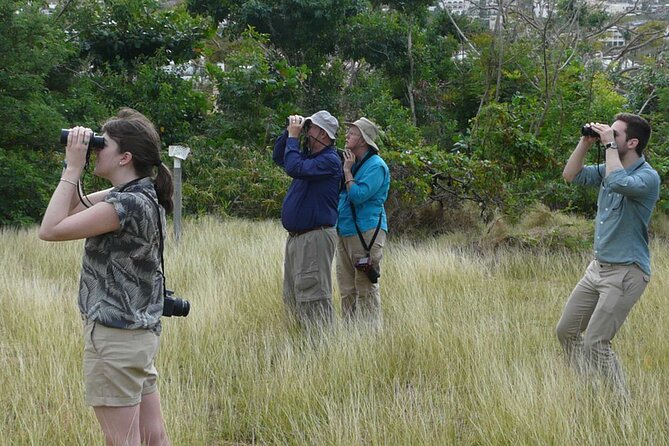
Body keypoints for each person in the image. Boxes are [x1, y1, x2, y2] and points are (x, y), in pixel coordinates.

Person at [39, 108, 172, 445]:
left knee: (122, 440)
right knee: (152, 437)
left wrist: (72, 167)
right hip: (137, 337)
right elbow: (69, 210)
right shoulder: (142, 196)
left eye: (103, 144)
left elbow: (50, 229)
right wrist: (77, 164)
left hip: (115, 339)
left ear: (125, 157)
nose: (96, 149)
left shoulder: (124, 206)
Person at [557, 113, 660, 397]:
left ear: (633, 142)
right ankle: (590, 388)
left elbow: (618, 183)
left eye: (615, 134)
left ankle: (620, 407)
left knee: (596, 342)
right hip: (597, 269)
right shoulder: (608, 168)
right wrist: (586, 141)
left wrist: (609, 148)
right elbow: (570, 175)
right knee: (566, 331)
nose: (609, 138)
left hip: (627, 272)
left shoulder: (647, 178)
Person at [272, 110, 342, 326]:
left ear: (322, 134)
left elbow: (293, 167)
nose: (306, 130)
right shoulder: (309, 158)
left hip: (315, 237)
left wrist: (294, 138)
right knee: (294, 297)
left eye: (310, 127)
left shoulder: (329, 160)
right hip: (298, 238)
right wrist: (288, 133)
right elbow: (279, 157)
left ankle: (323, 348)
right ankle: (304, 349)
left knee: (313, 298)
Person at [336, 118, 390, 328]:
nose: (347, 135)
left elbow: (358, 196)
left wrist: (347, 172)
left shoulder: (376, 166)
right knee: (347, 289)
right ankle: (350, 338)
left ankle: (369, 339)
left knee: (365, 288)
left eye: (352, 133)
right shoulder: (353, 162)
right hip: (345, 231)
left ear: (363, 140)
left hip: (366, 234)